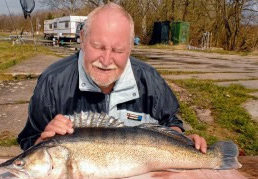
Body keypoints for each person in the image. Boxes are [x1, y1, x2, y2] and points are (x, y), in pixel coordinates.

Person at [17, 3, 207, 153]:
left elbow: (171, 123)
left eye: (118, 50)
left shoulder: (151, 81)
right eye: (98, 47)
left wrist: (183, 143)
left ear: (131, 47)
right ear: (82, 38)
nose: (106, 60)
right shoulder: (52, 82)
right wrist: (42, 140)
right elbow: (29, 139)